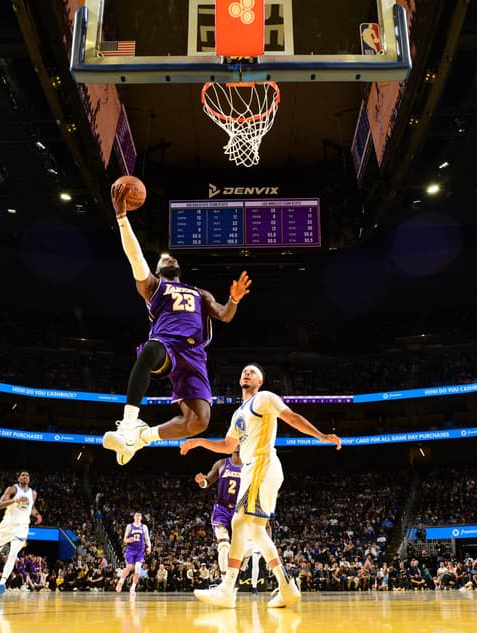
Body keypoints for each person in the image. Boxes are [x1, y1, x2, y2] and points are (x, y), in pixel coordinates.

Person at [103, 182, 252, 465]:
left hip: (195, 355)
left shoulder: (200, 293)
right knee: (149, 351)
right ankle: (129, 423)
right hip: (167, 347)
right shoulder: (152, 285)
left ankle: (141, 438)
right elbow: (135, 257)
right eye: (161, 260)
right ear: (158, 270)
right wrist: (122, 218)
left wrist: (233, 300)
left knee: (199, 422)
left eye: (170, 257)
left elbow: (225, 315)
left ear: (179, 268)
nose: (167, 258)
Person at [181, 363, 341, 608]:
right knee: (255, 530)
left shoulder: (264, 398)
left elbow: (292, 417)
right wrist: (200, 442)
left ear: (260, 382)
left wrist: (320, 436)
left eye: (253, 372)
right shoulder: (238, 414)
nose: (246, 372)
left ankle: (227, 588)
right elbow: (227, 446)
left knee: (238, 521)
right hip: (252, 469)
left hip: (261, 464)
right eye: (244, 370)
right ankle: (286, 586)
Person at [194, 447, 264, 592]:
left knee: (248, 548)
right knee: (223, 545)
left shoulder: (249, 465)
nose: (238, 445)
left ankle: (242, 563)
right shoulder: (221, 463)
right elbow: (207, 481)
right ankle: (225, 584)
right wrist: (202, 482)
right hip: (222, 509)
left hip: (241, 510)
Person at [0, 471, 42, 596]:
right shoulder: (12, 489)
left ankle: (2, 582)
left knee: (13, 554)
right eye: (22, 475)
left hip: (22, 527)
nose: (25, 476)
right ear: (18, 478)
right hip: (8, 525)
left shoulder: (33, 493)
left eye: (27, 475)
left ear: (30, 479)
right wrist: (14, 500)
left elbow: (31, 507)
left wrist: (37, 515)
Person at [116, 512, 151, 594]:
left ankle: (133, 588)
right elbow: (124, 539)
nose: (138, 517)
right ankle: (121, 582)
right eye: (136, 516)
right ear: (134, 517)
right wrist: (128, 540)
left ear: (141, 518)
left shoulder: (144, 527)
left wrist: (149, 546)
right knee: (129, 567)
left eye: (139, 516)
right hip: (131, 550)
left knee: (138, 568)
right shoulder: (129, 526)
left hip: (140, 550)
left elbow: (147, 538)